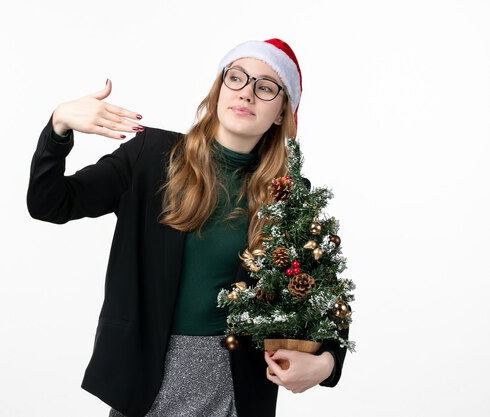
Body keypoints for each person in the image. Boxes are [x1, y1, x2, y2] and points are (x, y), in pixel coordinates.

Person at [27, 38, 348, 417]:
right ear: (218, 90)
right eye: (236, 78)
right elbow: (50, 203)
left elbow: (324, 299)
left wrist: (327, 364)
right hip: (145, 382)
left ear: (281, 112)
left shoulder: (287, 194)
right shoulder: (150, 157)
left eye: (265, 87)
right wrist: (59, 127)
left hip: (235, 387)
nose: (247, 93)